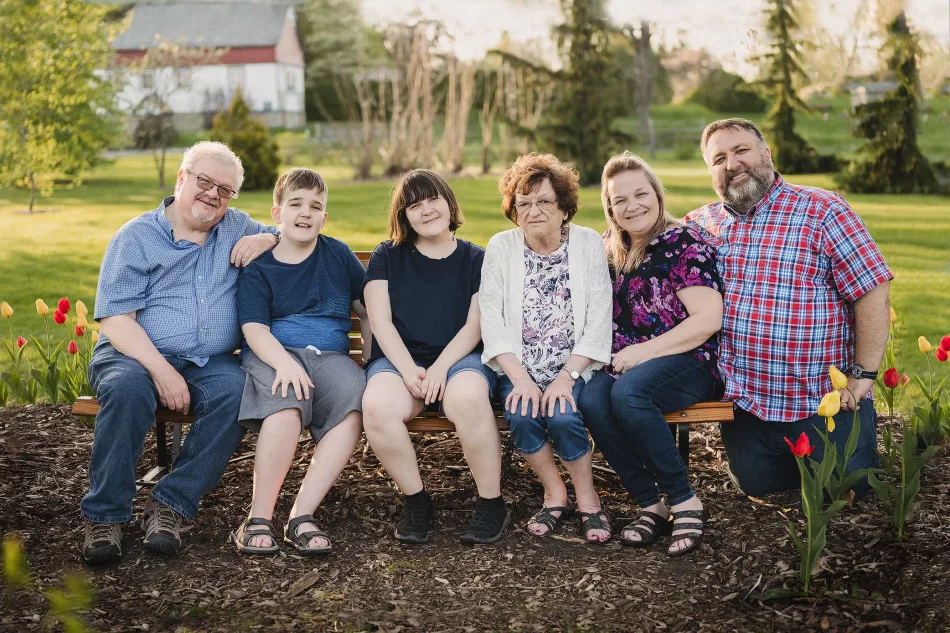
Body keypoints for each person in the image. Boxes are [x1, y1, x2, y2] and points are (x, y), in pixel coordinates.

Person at [82, 142, 279, 564]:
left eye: (225, 189)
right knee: (127, 390)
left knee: (236, 394)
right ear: (181, 179)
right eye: (204, 181)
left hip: (209, 361)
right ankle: (105, 515)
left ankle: (170, 504)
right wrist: (161, 371)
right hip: (132, 353)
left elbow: (298, 232)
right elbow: (116, 320)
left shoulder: (237, 226)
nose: (213, 194)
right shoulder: (137, 237)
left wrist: (268, 237)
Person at [685, 118, 892, 497]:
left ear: (767, 153)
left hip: (825, 405)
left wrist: (863, 375)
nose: (732, 164)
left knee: (846, 492)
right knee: (759, 489)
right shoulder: (700, 226)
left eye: (741, 150)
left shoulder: (822, 209)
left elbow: (872, 289)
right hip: (748, 407)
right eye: (719, 158)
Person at [579, 152, 724, 557]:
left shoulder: (683, 243)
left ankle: (684, 500)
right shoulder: (608, 249)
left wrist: (643, 353)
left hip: (689, 359)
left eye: (641, 194)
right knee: (589, 397)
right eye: (619, 200)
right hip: (625, 362)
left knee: (629, 393)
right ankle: (650, 504)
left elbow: (707, 319)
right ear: (610, 209)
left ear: (657, 195)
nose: (632, 206)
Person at [361, 169, 508, 545]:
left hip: (460, 360)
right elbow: (380, 321)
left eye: (433, 200)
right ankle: (417, 501)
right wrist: (410, 370)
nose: (426, 211)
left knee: (469, 397)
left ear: (449, 203)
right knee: (377, 406)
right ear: (403, 216)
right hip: (399, 360)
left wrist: (441, 368)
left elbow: (475, 327)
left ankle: (491, 503)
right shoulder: (387, 256)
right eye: (414, 205)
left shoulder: (477, 258)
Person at [230, 168, 369, 555]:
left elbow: (367, 307)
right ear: (277, 213)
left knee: (353, 406)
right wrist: (285, 364)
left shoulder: (337, 254)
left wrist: (372, 357)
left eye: (315, 206)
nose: (305, 213)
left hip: (332, 357)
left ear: (324, 217)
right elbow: (255, 330)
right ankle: (258, 517)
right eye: (296, 204)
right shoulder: (260, 266)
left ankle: (301, 516)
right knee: (285, 411)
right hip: (274, 354)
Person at [480, 153, 613, 543]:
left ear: (564, 208)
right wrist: (520, 380)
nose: (533, 211)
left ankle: (588, 499)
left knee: (563, 415)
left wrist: (566, 378)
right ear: (513, 209)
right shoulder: (502, 247)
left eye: (543, 202)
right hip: (518, 367)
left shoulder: (588, 243)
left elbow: (599, 319)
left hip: (574, 365)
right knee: (521, 413)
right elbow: (493, 319)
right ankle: (555, 494)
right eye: (523, 203)